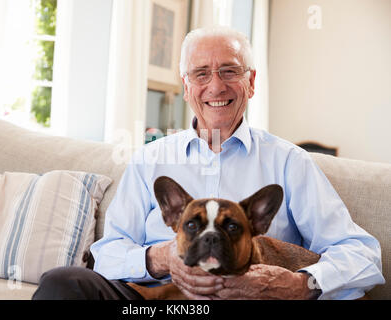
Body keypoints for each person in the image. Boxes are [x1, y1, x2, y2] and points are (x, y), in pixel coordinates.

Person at [32, 26, 385, 300]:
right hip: (160, 297)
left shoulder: (289, 161)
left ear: (251, 82)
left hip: (252, 297)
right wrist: (160, 259)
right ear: (186, 86)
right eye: (201, 74)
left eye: (229, 71)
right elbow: (107, 253)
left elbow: (362, 254)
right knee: (64, 284)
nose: (215, 86)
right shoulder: (151, 159)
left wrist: (301, 284)